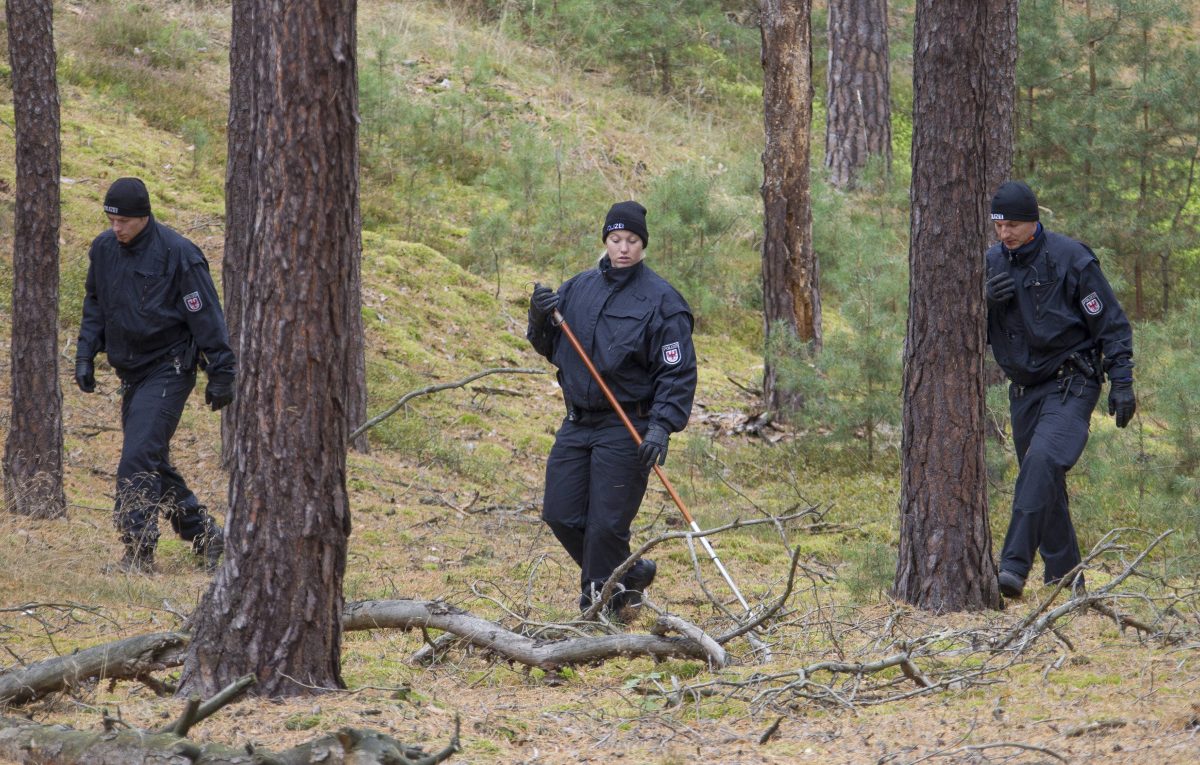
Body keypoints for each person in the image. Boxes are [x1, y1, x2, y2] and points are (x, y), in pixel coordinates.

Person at [527, 201, 697, 617]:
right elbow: (552, 348)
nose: (624, 248)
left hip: (628, 425)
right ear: (605, 240)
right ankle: (632, 572)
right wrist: (539, 318)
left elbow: (677, 371)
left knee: (605, 526)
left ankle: (597, 612)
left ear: (643, 244)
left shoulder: (662, 301)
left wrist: (661, 426)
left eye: (633, 241)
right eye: (616, 239)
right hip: (577, 422)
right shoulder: (576, 289)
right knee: (561, 514)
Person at [76, 177, 237, 574]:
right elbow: (95, 302)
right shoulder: (104, 249)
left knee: (137, 458)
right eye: (112, 220)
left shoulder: (179, 254)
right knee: (151, 459)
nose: (118, 228)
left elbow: (206, 316)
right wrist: (85, 353)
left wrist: (222, 371)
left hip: (170, 367)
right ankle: (206, 537)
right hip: (131, 371)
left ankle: (137, 553)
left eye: (125, 221)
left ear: (144, 216)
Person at [984, 180, 1136, 598]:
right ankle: (1068, 586)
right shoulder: (991, 263)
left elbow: (1112, 324)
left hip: (1073, 381)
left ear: (1033, 221)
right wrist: (984, 304)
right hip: (1024, 392)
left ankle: (1012, 567)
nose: (1005, 234)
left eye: (1013, 225)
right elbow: (964, 333)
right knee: (1044, 486)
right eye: (998, 226)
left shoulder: (1071, 259)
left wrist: (1121, 380)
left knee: (1042, 463)